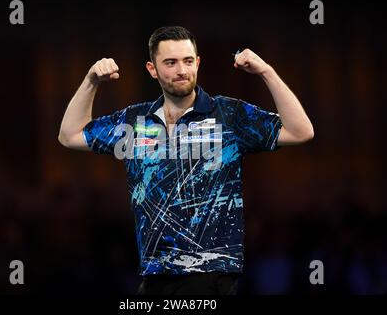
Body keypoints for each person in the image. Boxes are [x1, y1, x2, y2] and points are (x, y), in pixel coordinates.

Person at [58, 26, 314, 295]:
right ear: (152, 69)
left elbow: (300, 131)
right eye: (170, 62)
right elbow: (70, 135)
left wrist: (266, 72)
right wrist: (91, 81)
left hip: (212, 275)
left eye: (188, 61)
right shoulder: (134, 123)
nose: (182, 70)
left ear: (198, 63)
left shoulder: (227, 115)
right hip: (154, 275)